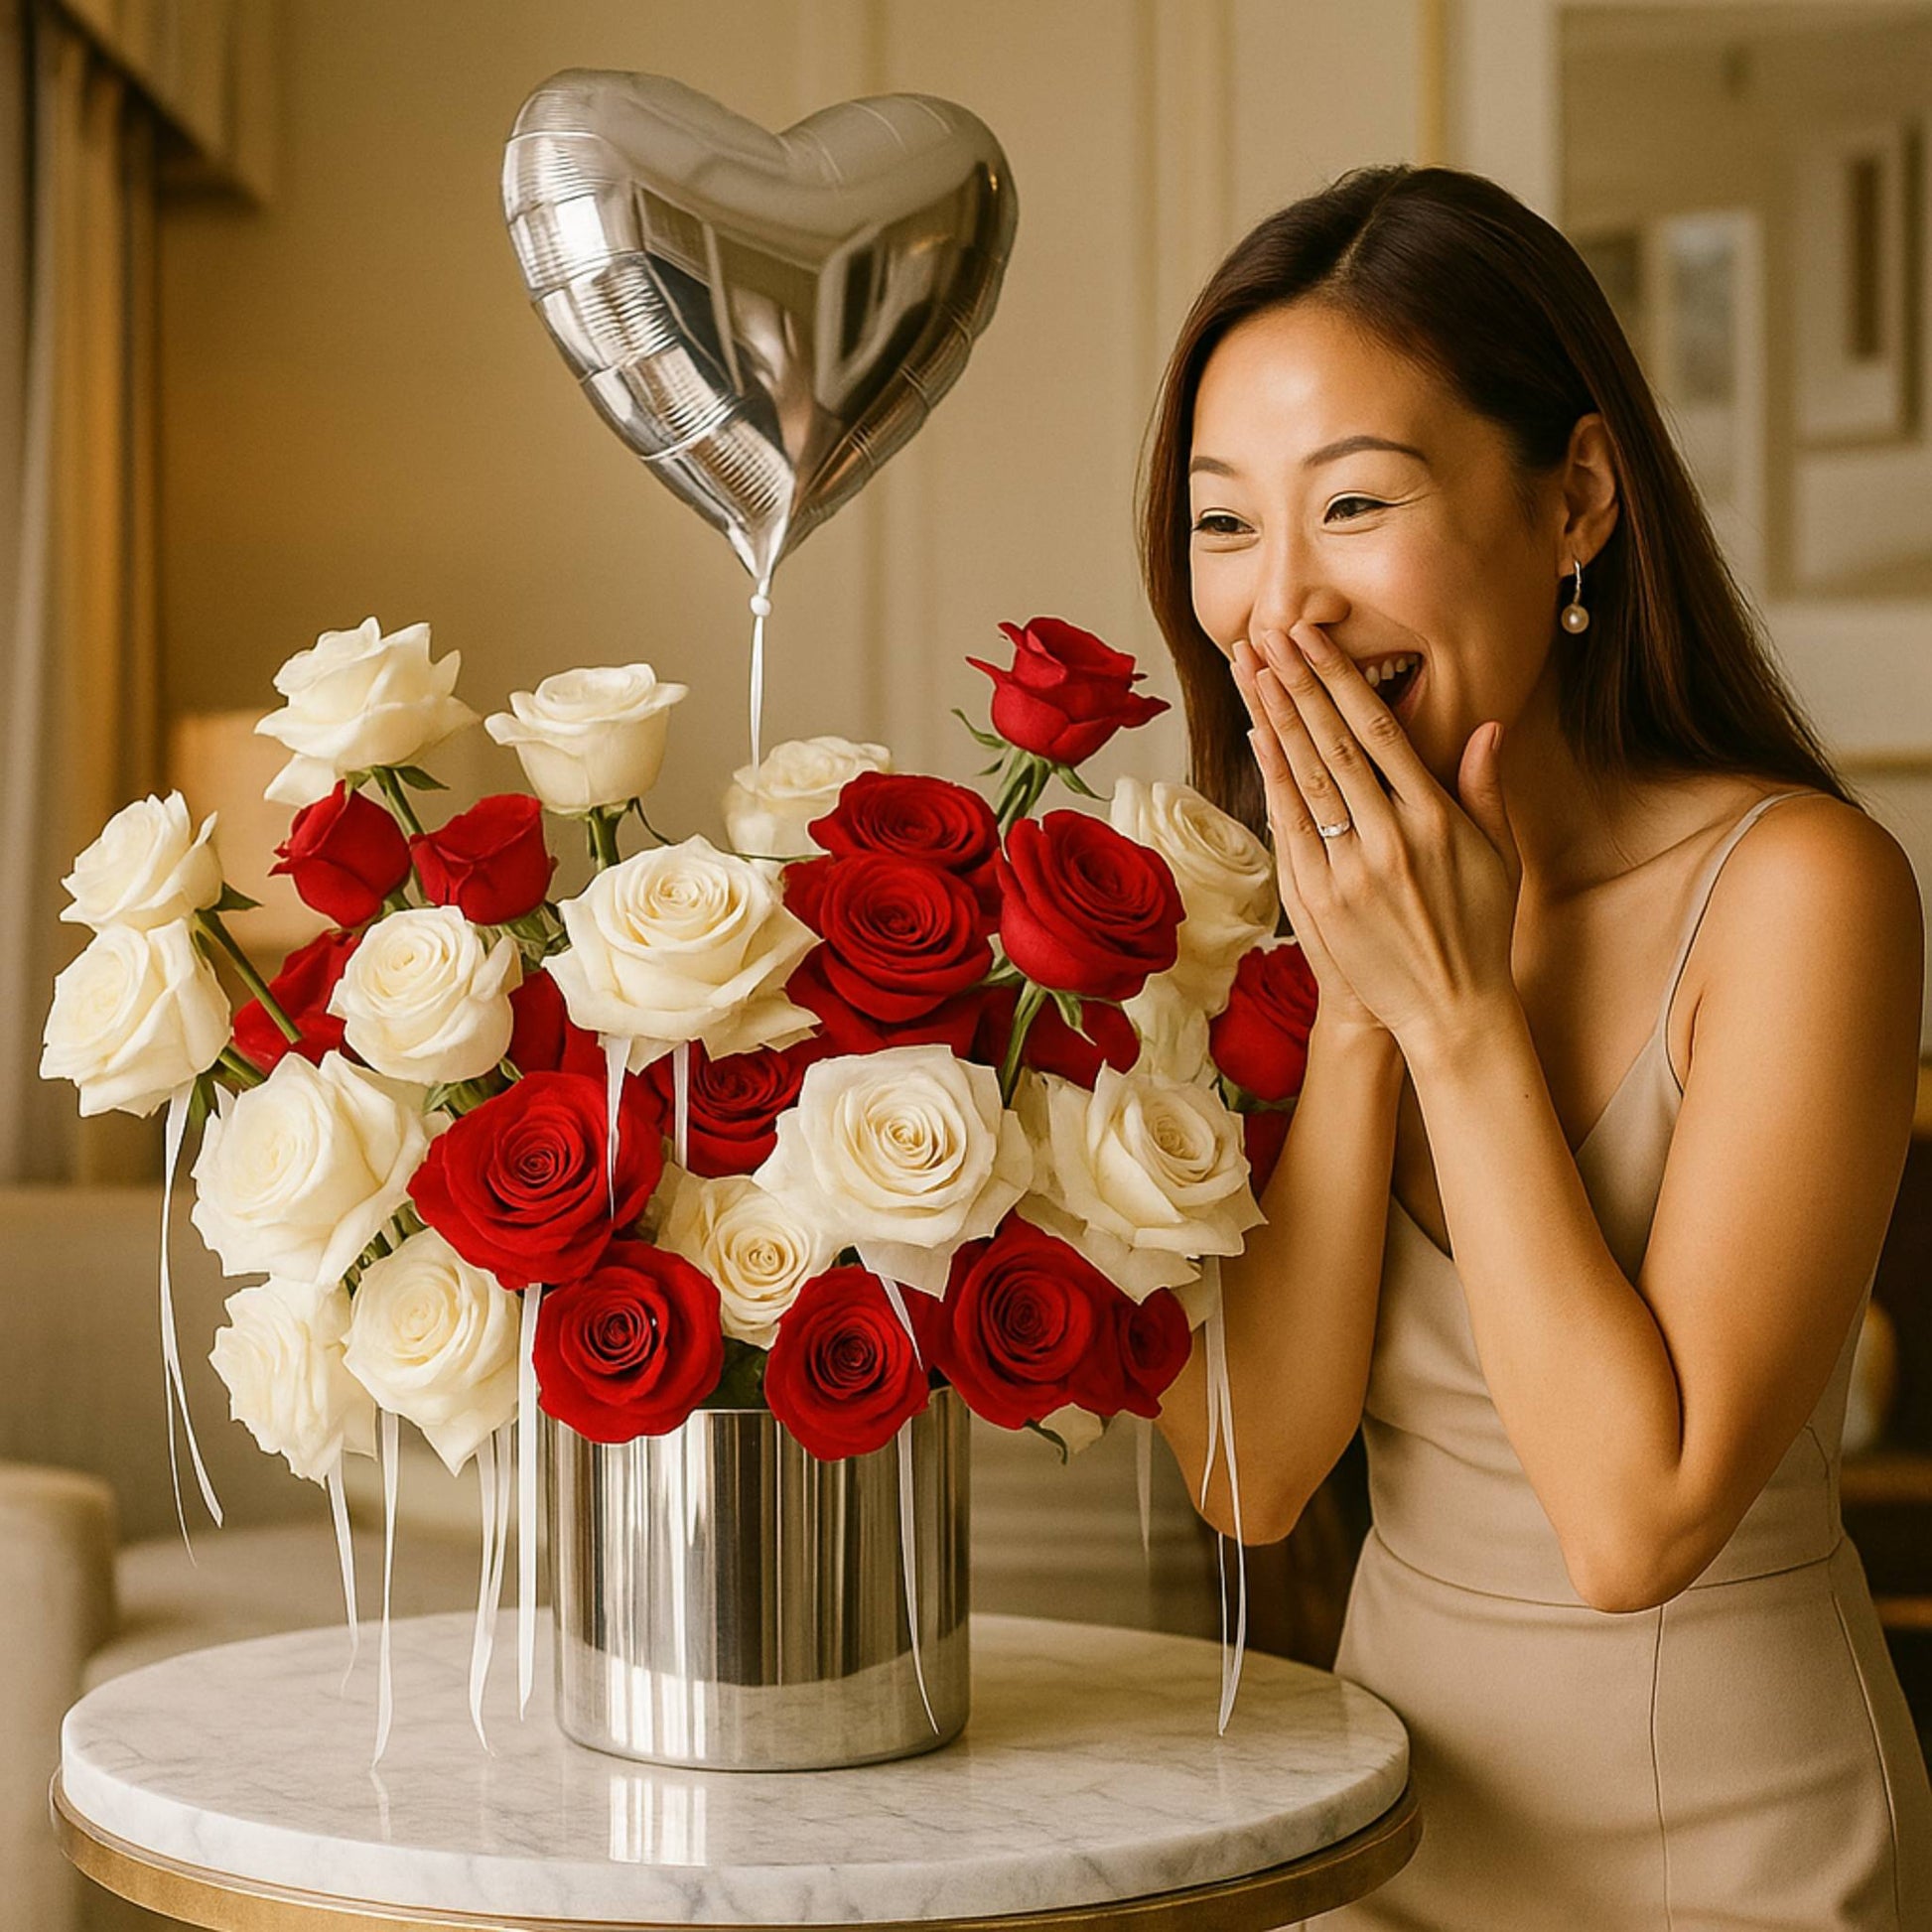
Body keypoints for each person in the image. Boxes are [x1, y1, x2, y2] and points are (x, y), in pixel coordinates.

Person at [1143, 164, 1932, 1928]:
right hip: (1374, 1845)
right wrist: (1353, 998)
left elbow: (1630, 1526)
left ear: (1574, 498)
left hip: (1736, 1862)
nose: (1281, 610)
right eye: (1223, 524)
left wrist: (1456, 1015)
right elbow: (1254, 1473)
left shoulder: (1802, 889)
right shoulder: (1251, 913)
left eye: (1353, 504)